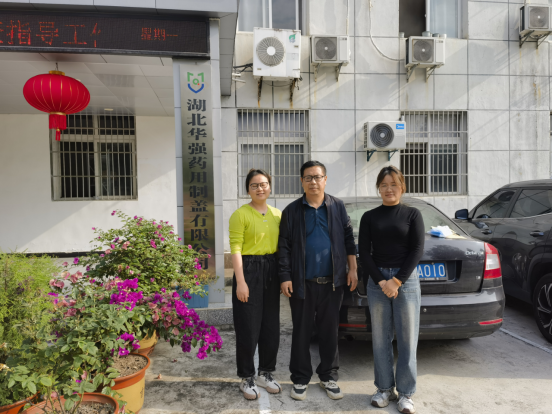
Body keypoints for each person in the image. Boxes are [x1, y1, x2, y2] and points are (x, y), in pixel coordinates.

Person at [278, 160, 357, 401]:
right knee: (301, 332)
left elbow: (348, 239)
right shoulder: (292, 211)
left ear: (325, 179)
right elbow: (284, 247)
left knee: (329, 332)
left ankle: (328, 376)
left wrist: (352, 269)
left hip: (333, 283)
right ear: (301, 181)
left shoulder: (337, 206)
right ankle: (300, 378)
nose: (313, 181)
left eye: (317, 177)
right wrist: (285, 277)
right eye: (308, 177)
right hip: (302, 283)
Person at [358, 165, 425, 414]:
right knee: (380, 338)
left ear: (402, 187)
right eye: (384, 185)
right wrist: (381, 281)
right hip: (377, 283)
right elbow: (364, 252)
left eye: (393, 184)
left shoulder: (413, 214)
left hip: (406, 281)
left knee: (408, 339)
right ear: (379, 188)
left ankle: (406, 393)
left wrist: (396, 281)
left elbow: (417, 250)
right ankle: (384, 389)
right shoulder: (369, 217)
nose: (389, 189)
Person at [229, 169, 282, 400]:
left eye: (263, 184)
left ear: (269, 186)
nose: (260, 188)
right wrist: (241, 281)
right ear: (248, 190)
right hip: (248, 269)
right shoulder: (240, 214)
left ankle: (265, 373)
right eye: (254, 185)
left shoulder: (277, 214)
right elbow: (236, 249)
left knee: (271, 326)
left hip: (272, 269)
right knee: (248, 326)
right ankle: (246, 376)